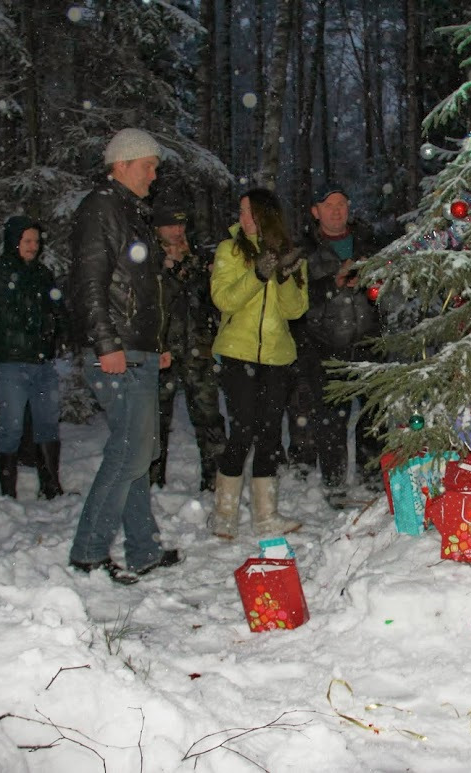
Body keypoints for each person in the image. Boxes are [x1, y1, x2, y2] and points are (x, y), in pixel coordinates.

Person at [67, 127, 180, 584]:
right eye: (147, 166)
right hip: (117, 351)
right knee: (130, 454)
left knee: (139, 451)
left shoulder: (130, 212)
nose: (154, 175)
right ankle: (89, 554)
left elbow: (143, 289)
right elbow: (88, 282)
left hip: (139, 350)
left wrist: (155, 347)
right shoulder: (101, 208)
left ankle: (143, 549)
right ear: (122, 164)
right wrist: (106, 343)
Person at [210, 188, 308, 538]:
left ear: (266, 215)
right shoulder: (230, 250)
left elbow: (296, 310)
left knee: (269, 434)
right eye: (241, 211)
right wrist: (257, 274)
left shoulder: (291, 254)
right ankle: (224, 514)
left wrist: (283, 278)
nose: (242, 218)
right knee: (243, 431)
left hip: (277, 357)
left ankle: (266, 516)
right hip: (238, 353)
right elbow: (224, 299)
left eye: (248, 212)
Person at [292, 183, 383, 507]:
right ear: (315, 211)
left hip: (369, 342)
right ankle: (334, 486)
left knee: (374, 416)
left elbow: (388, 285)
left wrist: (372, 281)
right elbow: (295, 299)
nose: (336, 210)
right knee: (331, 420)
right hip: (324, 346)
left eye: (341, 204)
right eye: (329, 205)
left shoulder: (368, 241)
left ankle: (373, 480)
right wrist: (333, 282)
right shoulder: (303, 249)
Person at [0, 217, 66, 499]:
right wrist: (40, 321)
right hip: (12, 361)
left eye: (36, 241)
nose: (33, 246)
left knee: (47, 423)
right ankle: (8, 493)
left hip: (42, 361)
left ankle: (51, 485)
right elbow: (4, 314)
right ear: (14, 241)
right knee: (12, 426)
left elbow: (56, 308)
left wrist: (58, 326)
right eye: (27, 241)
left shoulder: (42, 273)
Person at [149, 198, 226, 491]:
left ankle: (216, 481)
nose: (177, 230)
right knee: (155, 420)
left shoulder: (199, 259)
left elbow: (214, 301)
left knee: (209, 417)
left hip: (198, 348)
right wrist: (167, 270)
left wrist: (199, 269)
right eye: (170, 224)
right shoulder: (147, 261)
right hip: (161, 350)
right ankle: (153, 481)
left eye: (180, 224)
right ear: (157, 228)